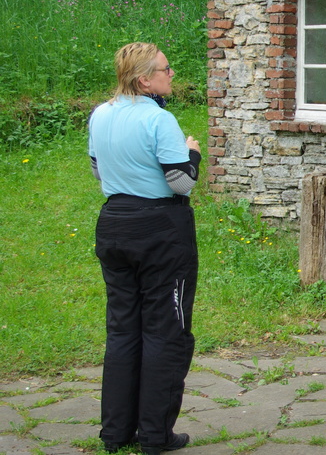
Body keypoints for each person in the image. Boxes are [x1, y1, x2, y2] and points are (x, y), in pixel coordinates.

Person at [88, 43, 201, 455]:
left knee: (122, 330)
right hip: (159, 231)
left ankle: (116, 433)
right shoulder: (159, 119)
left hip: (113, 224)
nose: (172, 75)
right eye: (165, 70)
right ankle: (155, 436)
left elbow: (98, 168)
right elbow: (181, 182)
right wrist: (192, 153)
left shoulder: (100, 114)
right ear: (144, 79)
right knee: (165, 331)